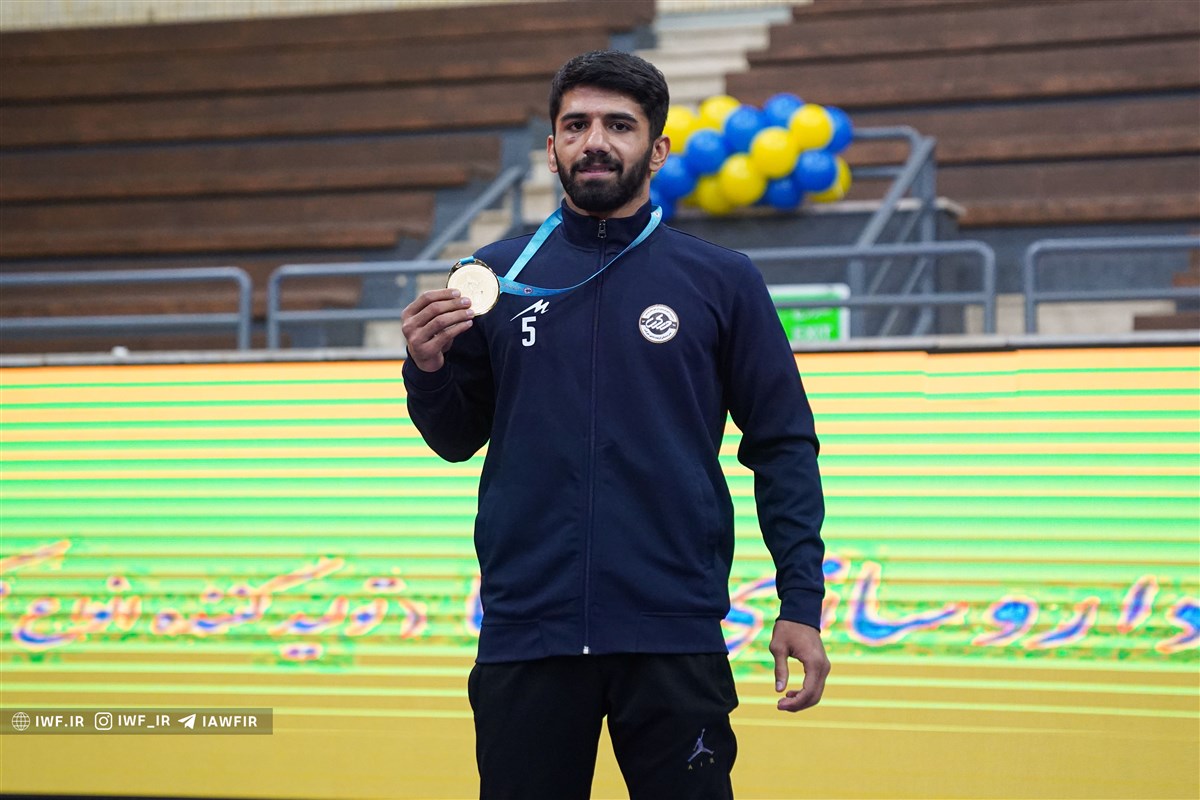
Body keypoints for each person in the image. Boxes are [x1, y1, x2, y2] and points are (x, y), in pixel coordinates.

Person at [401, 50, 828, 800]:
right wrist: (428, 369)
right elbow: (454, 439)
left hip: (672, 634)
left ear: (657, 150)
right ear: (552, 148)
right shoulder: (493, 278)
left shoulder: (722, 280)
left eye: (619, 126)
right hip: (528, 633)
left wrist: (800, 603)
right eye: (576, 125)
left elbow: (783, 445)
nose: (595, 141)